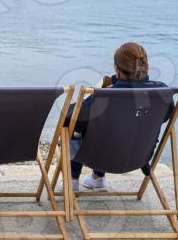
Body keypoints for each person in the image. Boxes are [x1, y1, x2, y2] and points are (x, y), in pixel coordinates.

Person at [66, 42, 172, 191]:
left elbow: (71, 119)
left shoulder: (104, 96)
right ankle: (97, 178)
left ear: (116, 69)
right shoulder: (163, 93)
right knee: (120, 124)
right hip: (139, 157)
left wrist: (98, 90)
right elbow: (164, 117)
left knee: (75, 129)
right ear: (147, 67)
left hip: (99, 158)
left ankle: (73, 180)